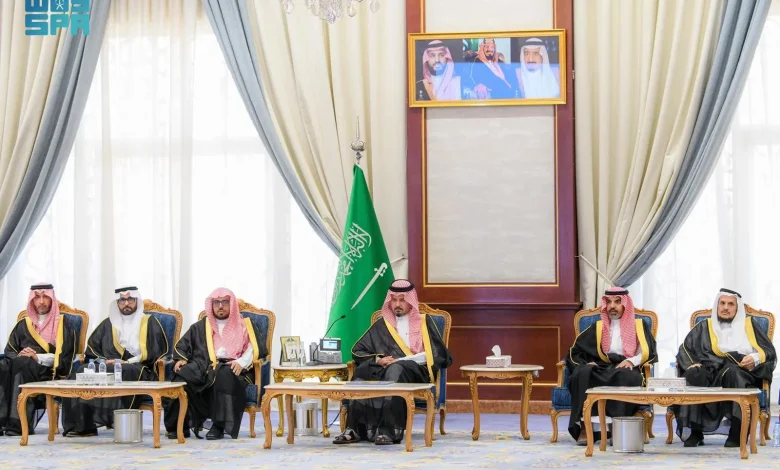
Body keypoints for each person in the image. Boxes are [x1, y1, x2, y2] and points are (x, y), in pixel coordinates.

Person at [333, 279, 452, 445]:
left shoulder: (424, 322)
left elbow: (438, 354)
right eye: (394, 299)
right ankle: (353, 429)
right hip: (386, 369)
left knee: (396, 368)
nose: (397, 304)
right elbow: (357, 351)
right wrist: (378, 360)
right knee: (363, 370)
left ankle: (388, 431)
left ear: (411, 300)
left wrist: (402, 360)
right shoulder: (383, 324)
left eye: (402, 300)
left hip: (416, 373)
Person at [674, 288, 776, 448]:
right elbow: (685, 348)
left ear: (737, 308)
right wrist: (691, 363)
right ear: (717, 305)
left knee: (733, 373)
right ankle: (696, 432)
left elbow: (769, 351)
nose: (725, 308)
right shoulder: (704, 326)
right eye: (722, 303)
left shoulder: (749, 325)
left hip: (739, 370)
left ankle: (736, 433)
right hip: (710, 370)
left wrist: (754, 358)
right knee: (694, 374)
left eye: (730, 304)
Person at [60, 286, 168, 436]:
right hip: (109, 366)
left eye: (130, 299)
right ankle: (82, 426)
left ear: (137, 300)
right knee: (81, 371)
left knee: (123, 370)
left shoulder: (149, 322)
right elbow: (92, 349)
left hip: (138, 367)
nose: (126, 303)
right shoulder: (108, 323)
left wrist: (127, 362)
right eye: (122, 300)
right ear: (117, 303)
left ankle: (120, 421)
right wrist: (104, 361)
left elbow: (155, 351)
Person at [163, 288, 263, 440]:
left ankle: (219, 426)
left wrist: (241, 362)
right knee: (180, 376)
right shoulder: (201, 326)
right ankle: (179, 426)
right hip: (204, 366)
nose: (220, 306)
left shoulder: (245, 325)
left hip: (233, 367)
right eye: (216, 302)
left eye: (224, 302)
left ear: (232, 304)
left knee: (223, 374)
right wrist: (181, 359)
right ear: (211, 305)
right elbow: (183, 344)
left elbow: (254, 348)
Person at [566, 287, 657, 443]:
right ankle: (585, 427)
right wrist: (587, 363)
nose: (612, 306)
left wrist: (632, 361)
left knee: (627, 377)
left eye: (617, 302)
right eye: (608, 302)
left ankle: (617, 428)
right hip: (602, 366)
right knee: (582, 373)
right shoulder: (598, 326)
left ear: (625, 304)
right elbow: (575, 351)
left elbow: (649, 351)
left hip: (625, 366)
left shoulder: (639, 326)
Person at [0, 284, 77, 436]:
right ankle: (2, 421)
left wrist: (36, 357)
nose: (41, 301)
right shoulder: (23, 324)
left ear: (52, 299)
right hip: (20, 366)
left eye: (45, 297)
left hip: (46, 372)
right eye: (37, 298)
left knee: (23, 363)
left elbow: (65, 356)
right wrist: (22, 355)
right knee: (4, 365)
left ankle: (18, 424)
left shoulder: (63, 323)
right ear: (32, 300)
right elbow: (9, 350)